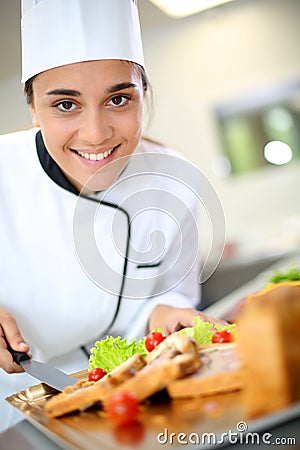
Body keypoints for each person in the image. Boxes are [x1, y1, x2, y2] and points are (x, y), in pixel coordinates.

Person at [0, 0, 225, 431]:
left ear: (145, 95)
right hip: (11, 416)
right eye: (66, 105)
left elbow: (172, 295)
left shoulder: (175, 180)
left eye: (118, 99)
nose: (96, 133)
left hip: (137, 407)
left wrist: (164, 314)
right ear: (32, 109)